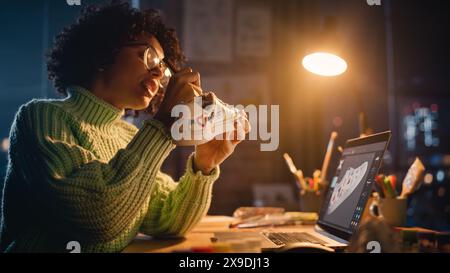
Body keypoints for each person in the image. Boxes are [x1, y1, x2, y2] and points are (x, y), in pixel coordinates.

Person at [0, 1, 248, 252]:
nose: (157, 75)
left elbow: (167, 219)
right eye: (150, 56)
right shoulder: (41, 118)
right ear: (104, 51)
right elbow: (95, 217)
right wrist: (162, 128)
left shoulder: (128, 134)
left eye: (163, 71)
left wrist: (203, 165)